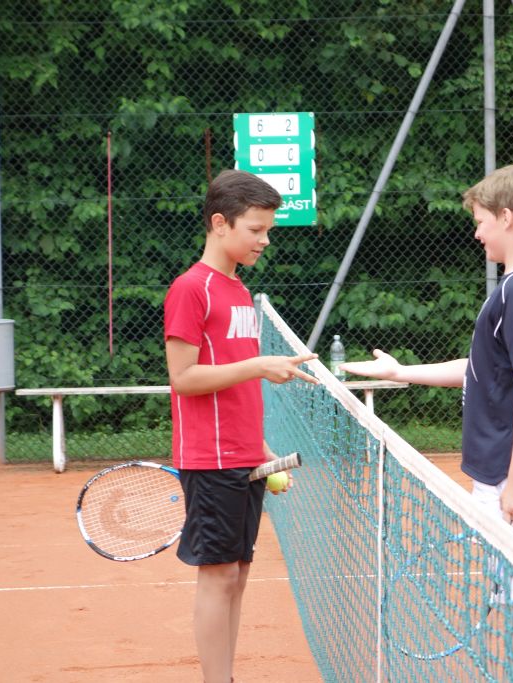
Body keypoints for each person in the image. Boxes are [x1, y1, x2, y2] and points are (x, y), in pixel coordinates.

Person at [341, 162, 513, 553]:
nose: (477, 233)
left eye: (481, 221)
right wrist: (399, 371)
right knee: (511, 595)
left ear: (506, 218)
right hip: (507, 467)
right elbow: (486, 371)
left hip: (509, 472)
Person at [164, 169, 317, 683]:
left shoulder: (236, 290)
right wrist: (260, 365)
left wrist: (262, 447)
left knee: (240, 573)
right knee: (219, 575)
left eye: (267, 229)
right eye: (256, 229)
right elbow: (183, 379)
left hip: (243, 455)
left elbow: (238, 387)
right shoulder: (191, 289)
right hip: (209, 458)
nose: (264, 240)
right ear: (220, 223)